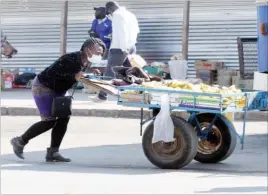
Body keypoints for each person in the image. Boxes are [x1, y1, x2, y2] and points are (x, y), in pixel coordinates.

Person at [10, 38, 105, 162]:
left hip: (60, 89)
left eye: (101, 54)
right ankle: (19, 141)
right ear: (88, 50)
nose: (100, 56)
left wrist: (89, 73)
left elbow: (77, 74)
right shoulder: (70, 58)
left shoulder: (87, 61)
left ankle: (53, 152)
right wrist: (74, 76)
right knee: (49, 121)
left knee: (64, 118)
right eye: (98, 52)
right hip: (44, 86)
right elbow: (52, 73)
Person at [92, 1, 140, 102]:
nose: (108, 14)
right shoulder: (131, 14)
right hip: (131, 46)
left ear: (110, 8)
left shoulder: (117, 15)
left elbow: (121, 32)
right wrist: (130, 45)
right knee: (131, 72)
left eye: (108, 11)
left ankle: (102, 96)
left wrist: (124, 48)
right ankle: (137, 95)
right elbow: (136, 30)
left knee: (110, 71)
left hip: (119, 48)